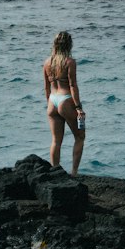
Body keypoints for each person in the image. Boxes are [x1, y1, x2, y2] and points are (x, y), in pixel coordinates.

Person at [43, 29, 86, 175]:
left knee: (56, 140)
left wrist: (49, 105)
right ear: (69, 45)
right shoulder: (70, 62)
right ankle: (74, 173)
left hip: (52, 102)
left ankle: (55, 172)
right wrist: (78, 107)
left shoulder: (47, 62)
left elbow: (46, 87)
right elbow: (73, 86)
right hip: (65, 100)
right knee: (80, 137)